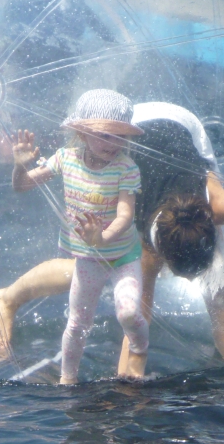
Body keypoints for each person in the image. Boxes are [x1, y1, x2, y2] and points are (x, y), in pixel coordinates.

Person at [0, 101, 224, 376]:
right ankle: (5, 298)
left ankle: (222, 334)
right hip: (131, 129)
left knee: (215, 261)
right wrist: (129, 381)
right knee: (91, 264)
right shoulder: (139, 238)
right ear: (159, 252)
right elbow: (136, 327)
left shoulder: (219, 205)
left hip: (180, 124)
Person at [11, 89, 149, 383]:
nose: (113, 144)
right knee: (77, 322)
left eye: (120, 136)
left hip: (123, 255)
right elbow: (22, 186)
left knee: (127, 312)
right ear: (82, 133)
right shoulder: (65, 158)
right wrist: (19, 166)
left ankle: (139, 346)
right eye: (104, 135)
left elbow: (125, 215)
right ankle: (68, 379)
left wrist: (102, 238)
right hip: (88, 258)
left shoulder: (126, 168)